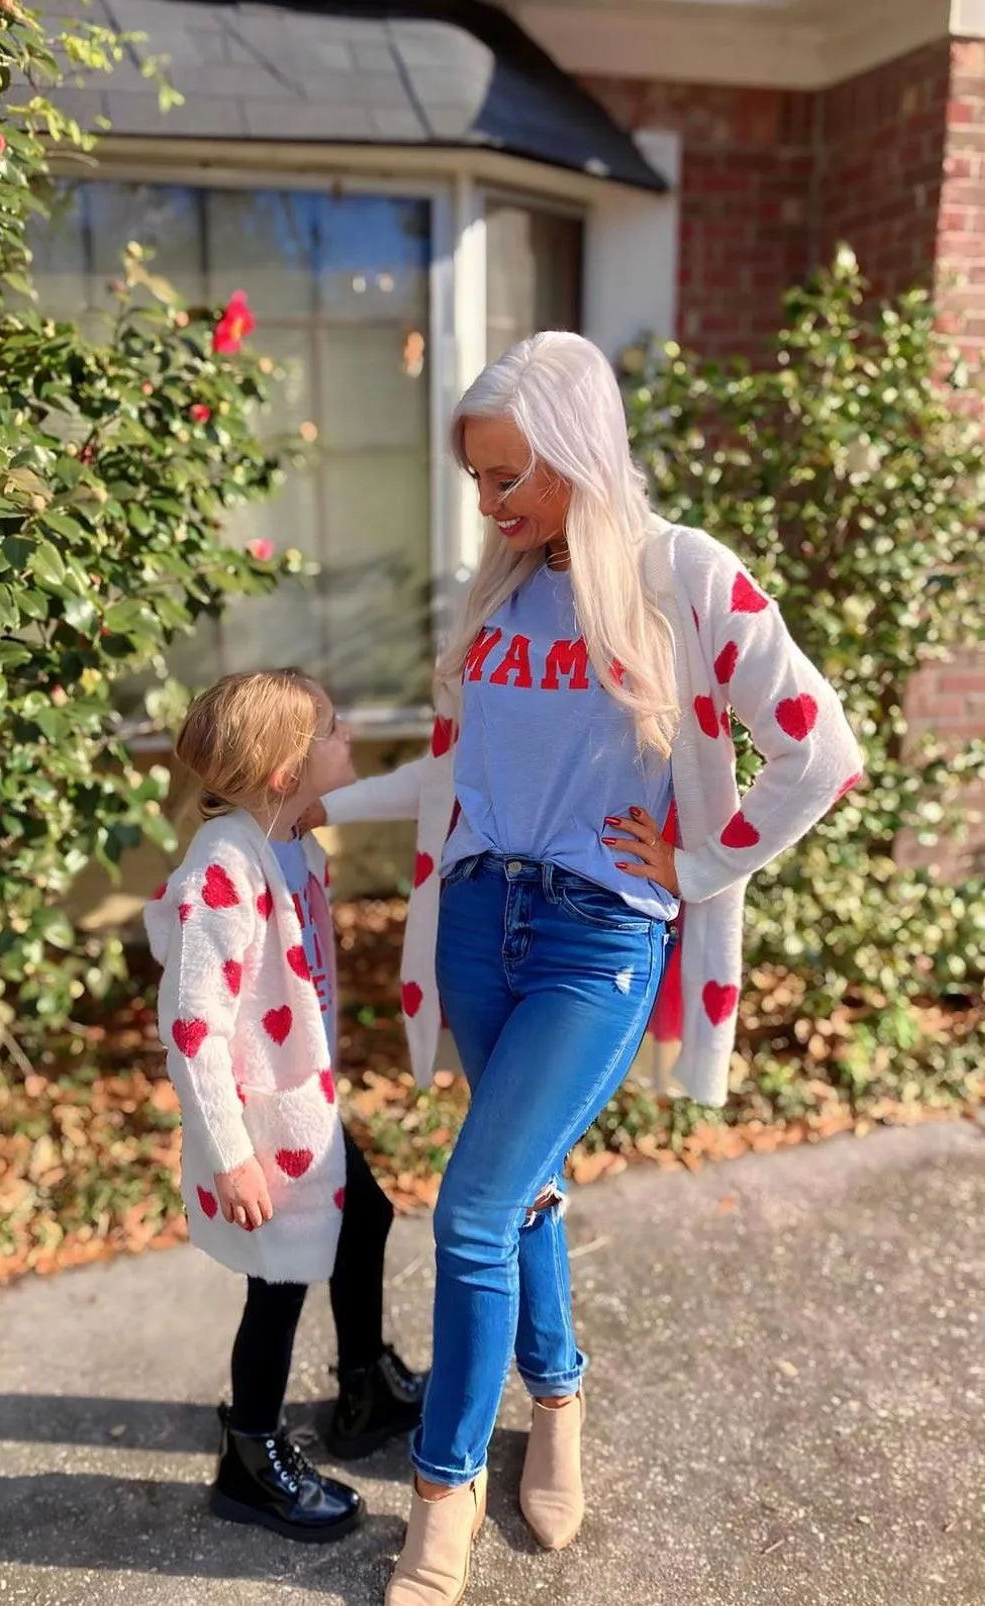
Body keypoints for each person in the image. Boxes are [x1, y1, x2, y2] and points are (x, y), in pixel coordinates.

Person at [305, 332, 863, 1603]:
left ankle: (440, 1493)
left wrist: (699, 859)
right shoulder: (495, 589)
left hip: (597, 934)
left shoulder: (685, 575)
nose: (491, 505)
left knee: (472, 1210)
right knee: (524, 1188)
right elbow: (463, 772)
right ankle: (558, 1404)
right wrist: (320, 806)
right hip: (481, 925)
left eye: (510, 478)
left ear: (578, 450)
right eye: (479, 481)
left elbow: (821, 751)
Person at [143, 669, 425, 1546]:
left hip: (300, 1108)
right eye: (334, 731)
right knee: (277, 1284)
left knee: (365, 1216)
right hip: (260, 1125)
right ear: (282, 771)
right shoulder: (223, 872)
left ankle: (363, 1381)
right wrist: (229, 1154)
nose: (350, 739)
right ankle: (250, 1454)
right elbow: (193, 1030)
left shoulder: (290, 840)